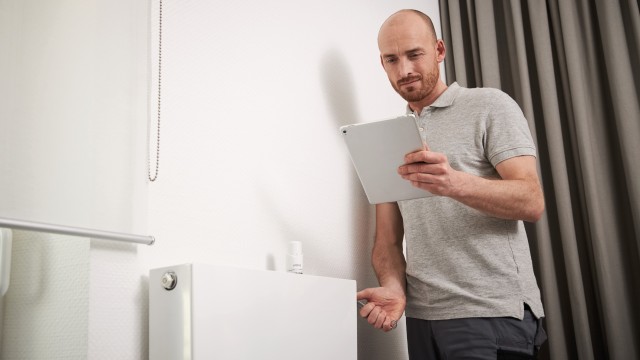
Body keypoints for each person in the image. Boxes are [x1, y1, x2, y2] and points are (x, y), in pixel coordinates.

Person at [356, 9, 547, 359]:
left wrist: (453, 183)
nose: (405, 70)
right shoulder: (387, 139)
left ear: (440, 51)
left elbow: (531, 200)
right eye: (392, 59)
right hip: (422, 319)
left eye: (415, 55)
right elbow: (387, 240)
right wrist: (395, 289)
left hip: (490, 312)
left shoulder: (489, 105)